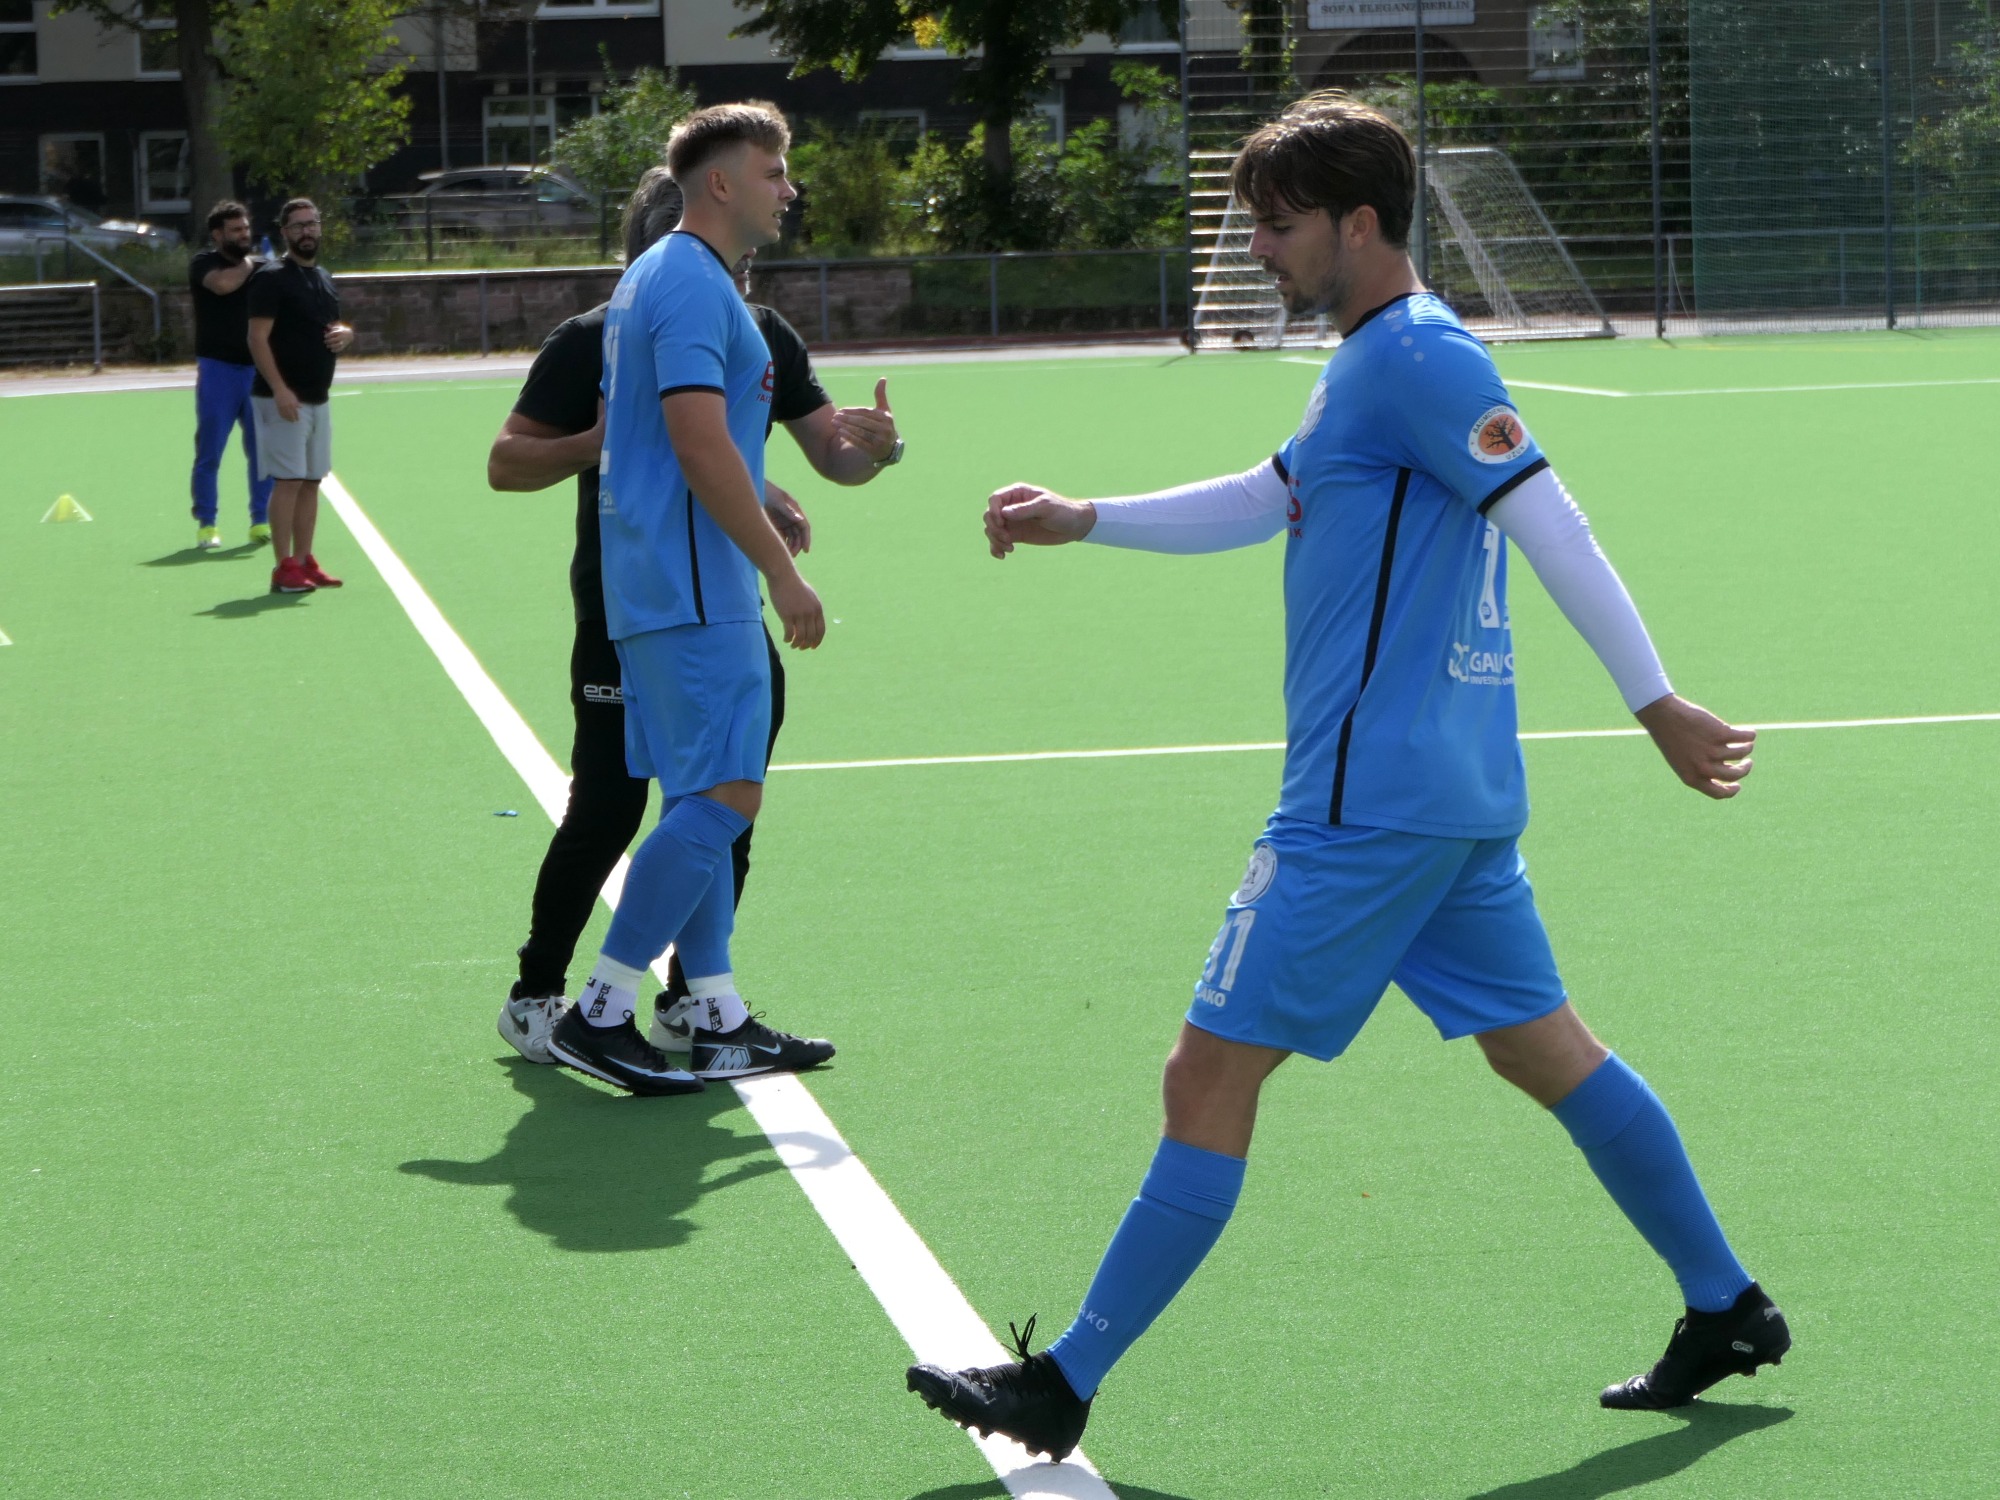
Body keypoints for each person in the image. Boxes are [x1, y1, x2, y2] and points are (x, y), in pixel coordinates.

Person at [905, 95, 1789, 1461]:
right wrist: (1091, 519)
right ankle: (1725, 1302)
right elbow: (1275, 493)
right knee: (1543, 1049)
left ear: (1358, 223)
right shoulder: (1375, 359)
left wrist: (1652, 701)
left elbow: (1552, 521)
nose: (1259, 249)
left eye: (1278, 225)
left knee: (1205, 1076)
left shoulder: (1416, 356)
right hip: (1447, 799)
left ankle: (1063, 1380)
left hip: (1365, 808)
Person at [488, 163, 903, 1082]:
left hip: (720, 599)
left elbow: (819, 452)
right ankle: (544, 996)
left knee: (721, 805)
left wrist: (876, 451)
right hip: (631, 605)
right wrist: (597, 443)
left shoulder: (758, 331)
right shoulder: (596, 336)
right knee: (611, 807)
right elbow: (506, 463)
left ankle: (699, 1005)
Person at [532, 102, 830, 1096]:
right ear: (721, 182)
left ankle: (715, 1013)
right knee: (724, 797)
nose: (787, 188)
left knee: (702, 795)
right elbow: (698, 445)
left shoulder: (655, 275)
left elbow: (681, 443)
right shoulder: (694, 283)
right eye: (773, 171)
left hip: (657, 583)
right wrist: (780, 570)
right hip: (696, 588)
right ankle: (600, 1008)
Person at [247, 198, 354, 595]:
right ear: (285, 232)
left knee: (311, 481)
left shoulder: (323, 276)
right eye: (298, 225)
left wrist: (346, 333)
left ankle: (305, 559)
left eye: (312, 223)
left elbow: (329, 326)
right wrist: (279, 389)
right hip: (284, 399)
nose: (306, 231)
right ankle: (283, 567)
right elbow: (256, 338)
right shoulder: (272, 277)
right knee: (289, 481)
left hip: (318, 397)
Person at [187, 200, 273, 550]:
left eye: (246, 229)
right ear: (218, 235)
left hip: (256, 371)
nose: (244, 235)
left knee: (262, 451)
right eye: (236, 230)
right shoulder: (204, 263)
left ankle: (261, 520)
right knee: (210, 451)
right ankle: (207, 524)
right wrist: (253, 264)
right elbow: (223, 285)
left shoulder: (265, 269)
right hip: (217, 370)